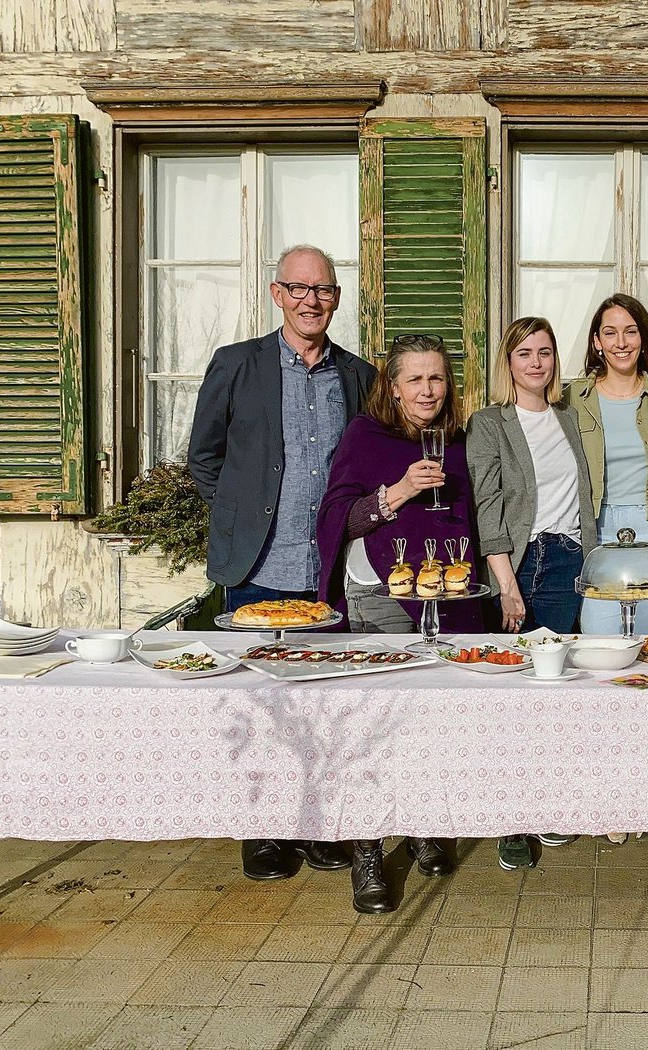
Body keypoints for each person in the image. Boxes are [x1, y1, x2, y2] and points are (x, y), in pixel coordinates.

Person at [187, 243, 373, 884]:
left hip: (330, 564)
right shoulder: (236, 364)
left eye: (322, 290)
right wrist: (243, 513)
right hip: (258, 564)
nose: (311, 300)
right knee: (258, 701)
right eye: (299, 289)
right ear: (276, 294)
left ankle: (319, 827)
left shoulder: (358, 375)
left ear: (336, 299)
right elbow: (203, 457)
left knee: (324, 699)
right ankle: (263, 833)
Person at [315, 334, 476, 913]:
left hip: (445, 599)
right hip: (378, 598)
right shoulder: (365, 436)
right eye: (415, 380)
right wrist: (400, 491)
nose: (428, 391)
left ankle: (423, 824)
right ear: (391, 385)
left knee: (428, 718)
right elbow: (340, 516)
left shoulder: (458, 439)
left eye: (437, 379)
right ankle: (367, 849)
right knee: (373, 722)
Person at [467, 317, 595, 871]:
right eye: (525, 353)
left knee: (556, 691)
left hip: (572, 563)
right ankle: (511, 819)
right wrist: (507, 585)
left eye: (545, 352)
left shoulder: (567, 419)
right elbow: (487, 508)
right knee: (518, 695)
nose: (537, 362)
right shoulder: (490, 423)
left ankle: (548, 806)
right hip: (525, 562)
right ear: (509, 362)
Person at [568, 294, 648, 639]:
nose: (621, 343)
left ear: (642, 338)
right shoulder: (572, 399)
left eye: (630, 332)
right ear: (597, 342)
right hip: (598, 526)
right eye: (610, 333)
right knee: (601, 636)